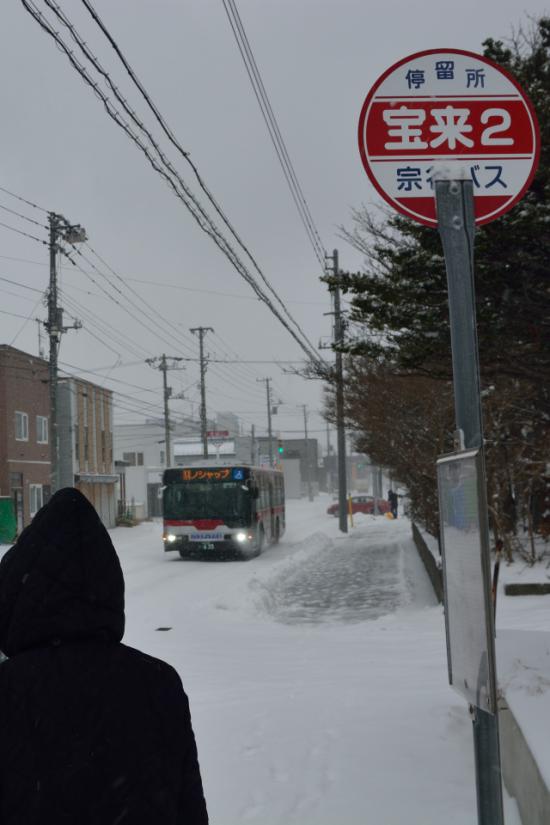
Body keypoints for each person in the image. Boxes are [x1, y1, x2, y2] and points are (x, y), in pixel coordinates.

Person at [0, 487, 208, 825]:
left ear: (15, 590)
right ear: (110, 587)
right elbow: (189, 811)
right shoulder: (158, 684)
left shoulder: (8, 691)